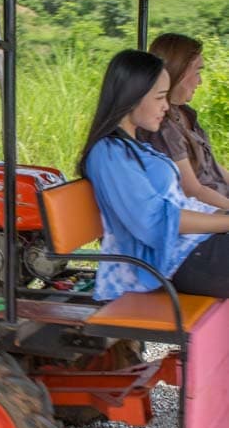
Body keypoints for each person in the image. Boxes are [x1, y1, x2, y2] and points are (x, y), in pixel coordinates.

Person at [78, 49, 229, 302]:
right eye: (160, 97)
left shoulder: (135, 147)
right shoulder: (109, 153)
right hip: (174, 261)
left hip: (192, 249)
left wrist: (220, 215)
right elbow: (154, 222)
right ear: (133, 97)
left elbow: (178, 205)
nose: (166, 106)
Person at [138, 33, 229, 210]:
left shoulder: (185, 114)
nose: (200, 81)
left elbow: (212, 166)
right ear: (178, 72)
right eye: (197, 72)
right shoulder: (162, 128)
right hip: (208, 216)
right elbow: (191, 190)